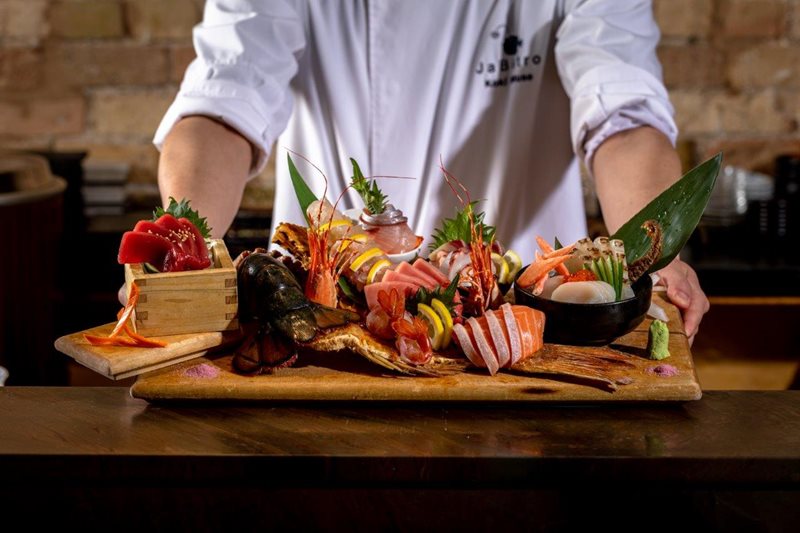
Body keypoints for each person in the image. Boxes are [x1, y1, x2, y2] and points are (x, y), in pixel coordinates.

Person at [152, 0, 709, 343]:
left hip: (522, 322)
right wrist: (185, 247)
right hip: (323, 321)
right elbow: (224, 102)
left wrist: (653, 253)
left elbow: (623, 118)